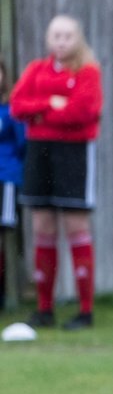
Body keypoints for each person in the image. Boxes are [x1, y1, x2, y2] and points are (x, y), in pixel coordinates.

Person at [9, 15, 103, 330]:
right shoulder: (36, 69)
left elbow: (84, 111)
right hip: (40, 153)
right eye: (56, 36)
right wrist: (51, 102)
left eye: (67, 36)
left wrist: (44, 113)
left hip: (73, 154)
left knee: (76, 226)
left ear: (77, 39)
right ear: (48, 39)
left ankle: (86, 310)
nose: (61, 41)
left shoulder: (88, 72)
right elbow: (18, 106)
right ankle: (44, 308)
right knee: (42, 227)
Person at [0, 60, 27, 311]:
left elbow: (22, 144)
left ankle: (7, 294)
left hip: (5, 177)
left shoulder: (10, 110)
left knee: (5, 235)